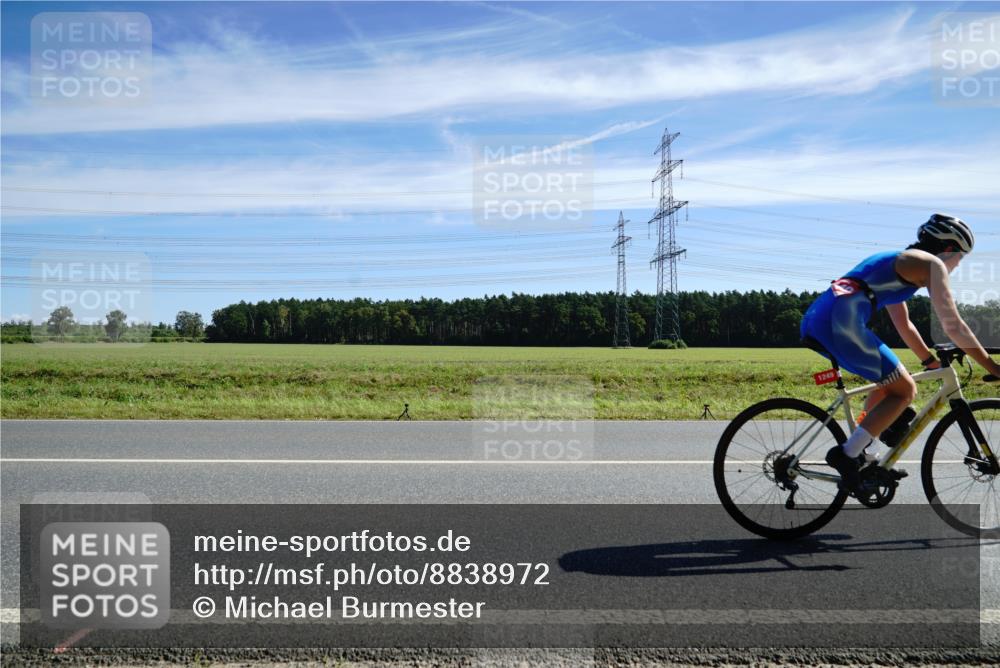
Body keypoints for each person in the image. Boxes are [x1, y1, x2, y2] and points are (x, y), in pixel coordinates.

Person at [800, 214, 1000, 492]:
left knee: (890, 381)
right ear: (950, 249)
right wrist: (993, 367)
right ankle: (847, 455)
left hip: (824, 317)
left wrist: (929, 362)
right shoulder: (931, 265)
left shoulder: (902, 261)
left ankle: (864, 452)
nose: (957, 266)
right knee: (904, 390)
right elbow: (953, 325)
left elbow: (903, 324)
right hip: (840, 322)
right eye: (960, 259)